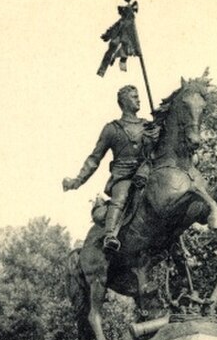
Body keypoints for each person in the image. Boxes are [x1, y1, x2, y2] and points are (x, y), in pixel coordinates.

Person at [63, 85, 154, 251]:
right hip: (124, 176)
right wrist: (77, 181)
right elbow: (94, 159)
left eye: (138, 96)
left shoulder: (148, 126)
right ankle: (110, 236)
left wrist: (158, 132)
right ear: (123, 102)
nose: (138, 99)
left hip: (146, 173)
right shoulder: (112, 129)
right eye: (134, 97)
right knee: (120, 198)